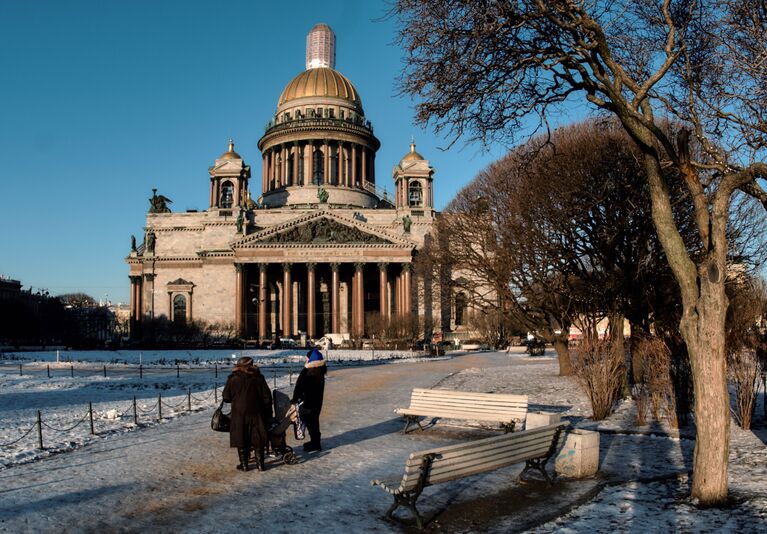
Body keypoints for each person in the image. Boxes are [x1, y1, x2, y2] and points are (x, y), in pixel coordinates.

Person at [222, 356, 273, 472]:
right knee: (257, 436)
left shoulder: (232, 378)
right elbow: (267, 397)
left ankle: (244, 465)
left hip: (239, 412)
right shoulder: (259, 378)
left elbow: (226, 397)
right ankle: (260, 465)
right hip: (256, 411)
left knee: (241, 435)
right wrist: (268, 412)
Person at [291, 348, 327, 452]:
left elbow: (302, 387)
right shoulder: (318, 370)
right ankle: (315, 442)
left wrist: (297, 399)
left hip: (308, 403)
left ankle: (315, 444)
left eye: (307, 358)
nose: (305, 360)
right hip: (315, 402)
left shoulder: (310, 371)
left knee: (312, 422)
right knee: (313, 422)